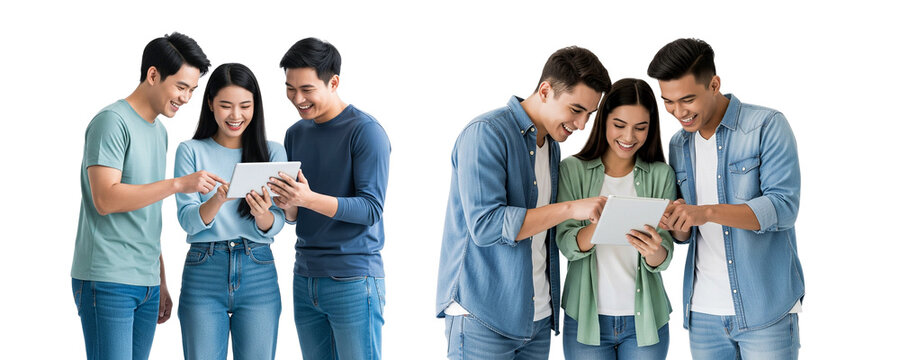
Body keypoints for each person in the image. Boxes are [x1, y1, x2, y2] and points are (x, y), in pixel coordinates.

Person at [436, 46, 611, 360]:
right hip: (482, 318)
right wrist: (571, 209)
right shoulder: (486, 134)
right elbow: (486, 226)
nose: (582, 124)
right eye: (576, 110)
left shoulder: (551, 146)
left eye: (590, 114)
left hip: (536, 318)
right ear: (545, 90)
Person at [647, 38, 803, 359]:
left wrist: (706, 212)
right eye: (668, 102)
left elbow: (783, 208)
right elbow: (685, 234)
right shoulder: (679, 144)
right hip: (703, 312)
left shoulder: (766, 126)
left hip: (765, 309)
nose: (679, 112)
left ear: (714, 84)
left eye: (687, 99)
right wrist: (676, 222)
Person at [70, 32, 213, 360]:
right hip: (107, 277)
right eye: (181, 86)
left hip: (145, 281)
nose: (186, 98)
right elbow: (105, 199)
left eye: (192, 89)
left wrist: (159, 278)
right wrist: (178, 184)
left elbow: (144, 208)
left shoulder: (159, 131)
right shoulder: (112, 122)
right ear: (153, 75)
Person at [267, 37, 391, 360]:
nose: (297, 98)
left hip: (353, 278)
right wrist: (290, 204)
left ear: (333, 82)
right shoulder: (295, 133)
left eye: (307, 89)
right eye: (290, 88)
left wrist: (307, 199)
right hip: (305, 279)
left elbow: (370, 209)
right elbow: (298, 213)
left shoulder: (366, 132)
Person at [556, 78, 675, 359]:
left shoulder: (661, 175)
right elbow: (566, 244)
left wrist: (654, 250)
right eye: (619, 125)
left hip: (646, 321)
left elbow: (664, 256)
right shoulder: (572, 170)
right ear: (603, 121)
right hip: (586, 319)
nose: (629, 137)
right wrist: (602, 223)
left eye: (640, 128)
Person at [174, 63, 286, 360]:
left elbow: (278, 223)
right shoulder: (191, 150)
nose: (236, 116)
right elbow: (188, 221)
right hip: (204, 269)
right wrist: (218, 199)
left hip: (258, 268)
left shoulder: (272, 152)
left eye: (245, 106)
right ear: (210, 103)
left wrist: (262, 214)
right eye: (225, 106)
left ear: (255, 107)